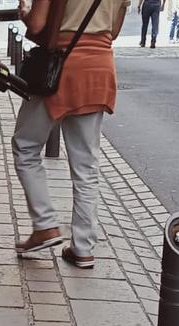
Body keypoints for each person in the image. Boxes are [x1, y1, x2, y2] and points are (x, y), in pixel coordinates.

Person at [13, 0, 128, 269]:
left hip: (62, 66)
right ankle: (83, 248)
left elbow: (38, 24)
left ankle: (45, 224)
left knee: (25, 146)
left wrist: (25, 14)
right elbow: (114, 29)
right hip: (99, 67)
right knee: (87, 166)